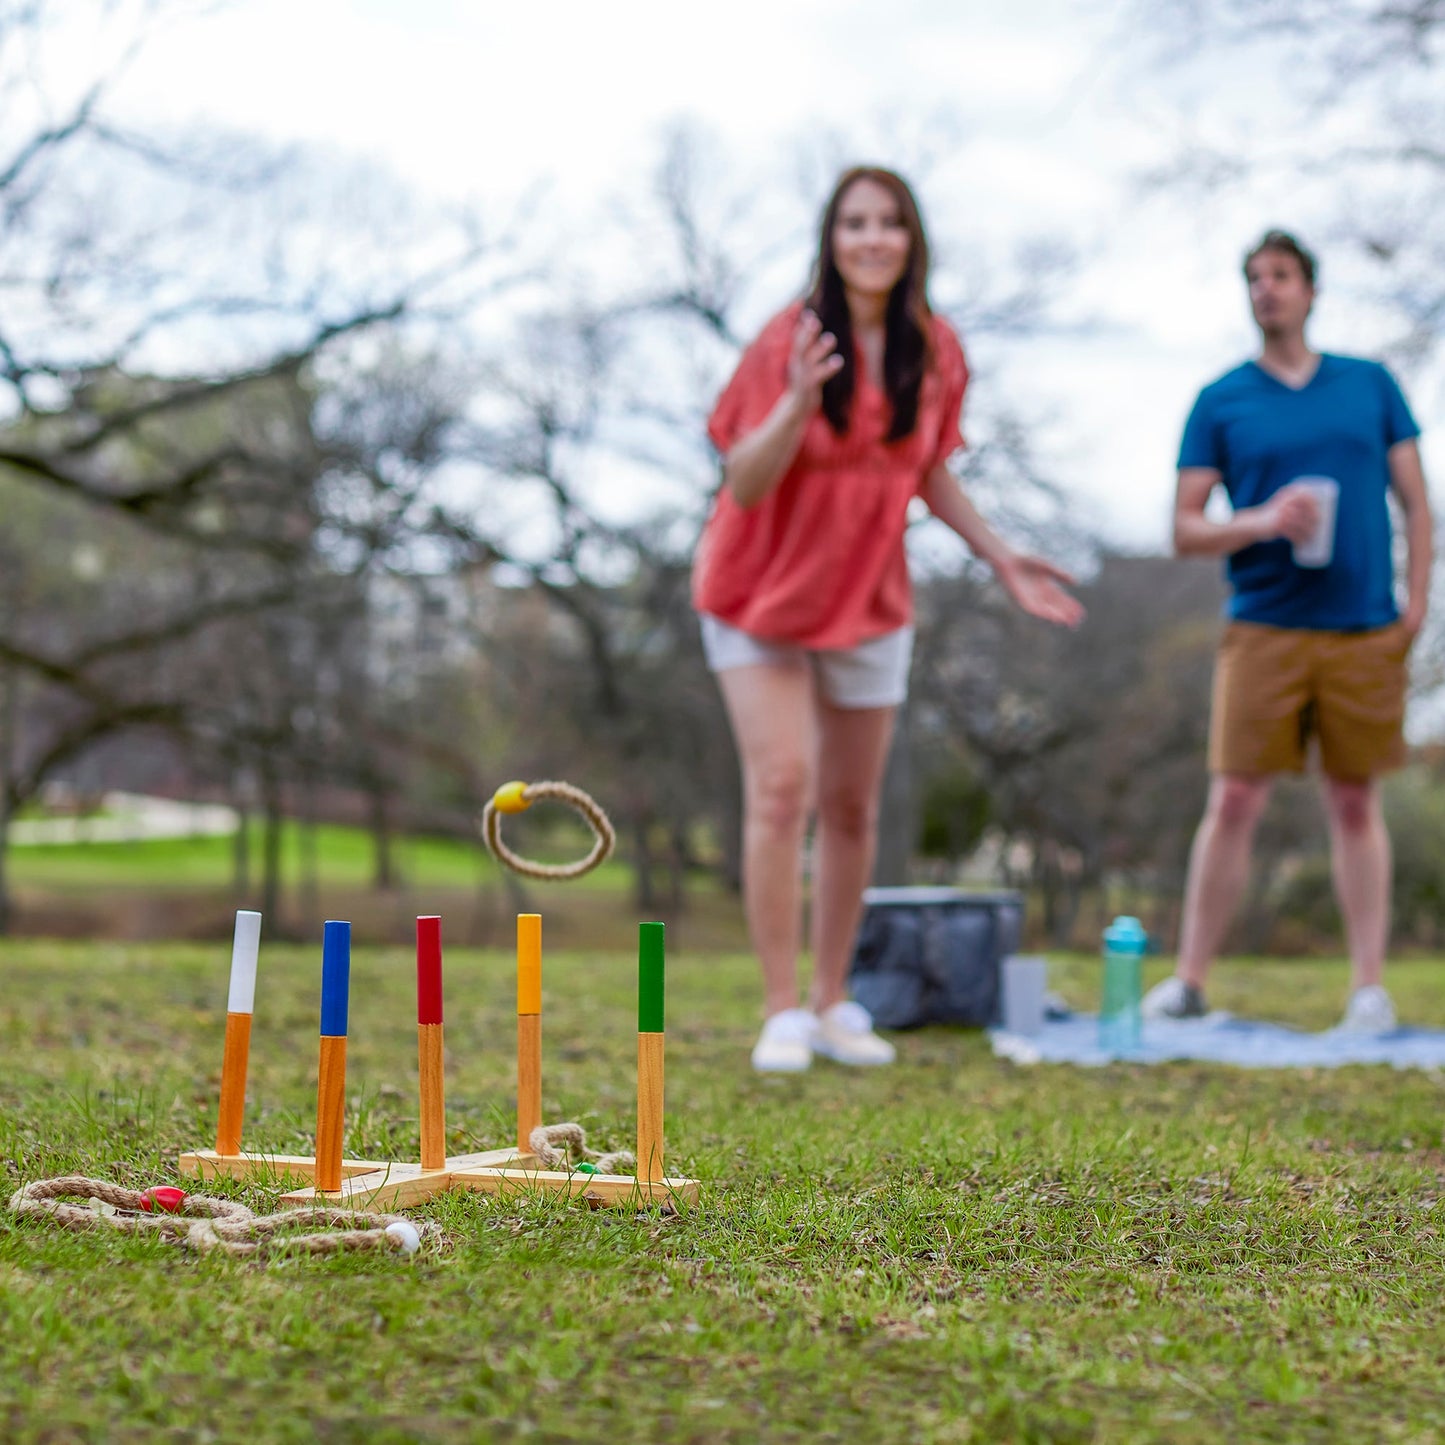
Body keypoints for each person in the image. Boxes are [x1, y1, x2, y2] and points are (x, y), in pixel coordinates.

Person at [694, 166, 1083, 1072]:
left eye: (890, 222)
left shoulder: (934, 347)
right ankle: (781, 1008)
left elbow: (925, 468)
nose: (872, 238)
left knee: (852, 804)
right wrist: (795, 400)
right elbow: (744, 481)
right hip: (758, 590)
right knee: (783, 787)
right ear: (830, 239)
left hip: (866, 595)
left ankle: (834, 1000)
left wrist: (999, 555)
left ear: (912, 239)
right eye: (854, 222)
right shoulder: (786, 341)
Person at [1144, 229, 1433, 1031]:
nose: (1265, 288)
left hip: (1363, 628)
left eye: (1280, 275)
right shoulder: (1220, 399)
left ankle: (1367, 988)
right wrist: (1263, 519)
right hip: (1263, 624)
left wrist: (1415, 604)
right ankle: (1189, 979)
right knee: (1233, 796)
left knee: (1353, 800)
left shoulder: (1369, 386)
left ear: (1310, 289)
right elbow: (1182, 528)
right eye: (1253, 278)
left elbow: (1414, 501)